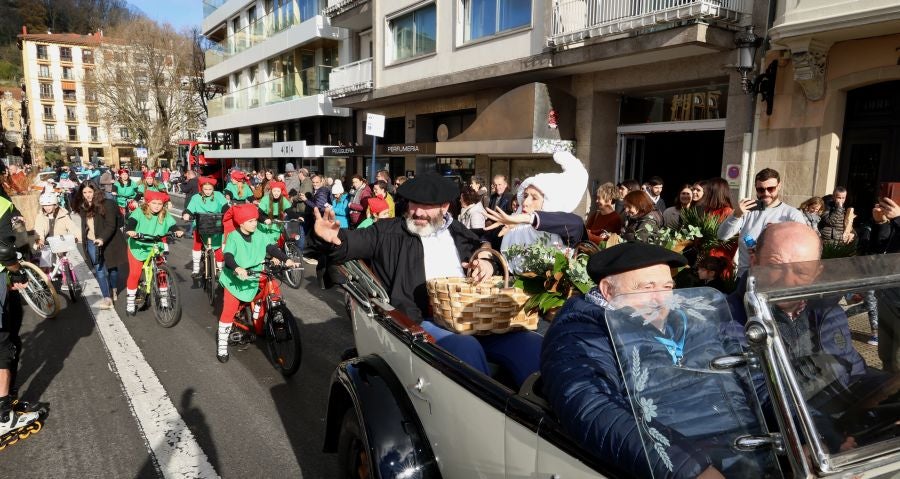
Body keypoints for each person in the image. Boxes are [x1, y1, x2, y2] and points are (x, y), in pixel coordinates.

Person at [541, 242, 767, 478]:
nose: (661, 299)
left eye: (668, 286)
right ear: (608, 291)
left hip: (744, 449)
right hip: (682, 462)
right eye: (647, 287)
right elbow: (590, 404)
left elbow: (750, 372)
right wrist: (689, 468)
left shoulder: (690, 318)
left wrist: (799, 429)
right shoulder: (581, 333)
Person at [313, 172, 542, 386]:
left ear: (444, 207)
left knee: (531, 344)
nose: (418, 212)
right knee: (465, 348)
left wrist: (485, 260)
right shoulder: (387, 231)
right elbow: (351, 244)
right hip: (419, 320)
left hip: (474, 316)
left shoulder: (457, 230)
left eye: (427, 206)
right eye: (414, 204)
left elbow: (482, 245)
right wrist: (332, 237)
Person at [216, 204, 295, 362]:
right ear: (242, 222)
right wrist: (237, 268)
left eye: (255, 220)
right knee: (229, 311)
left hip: (255, 273)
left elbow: (271, 248)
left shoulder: (259, 234)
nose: (255, 223)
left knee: (271, 285)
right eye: (251, 221)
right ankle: (222, 346)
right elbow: (229, 256)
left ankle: (273, 314)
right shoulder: (233, 236)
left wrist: (286, 259)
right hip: (235, 278)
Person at [0, 189, 45, 442]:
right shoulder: (2, 203)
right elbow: (6, 250)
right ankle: (4, 416)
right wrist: (17, 272)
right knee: (5, 345)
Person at [485, 151, 588, 258]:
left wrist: (529, 218)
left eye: (534, 198)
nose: (525, 202)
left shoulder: (564, 227)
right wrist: (486, 248)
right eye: (525, 196)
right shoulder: (515, 227)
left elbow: (576, 224)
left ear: (549, 203)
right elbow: (488, 238)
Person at [717, 168, 804, 276]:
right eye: (760, 190)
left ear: (779, 186)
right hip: (745, 277)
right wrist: (736, 215)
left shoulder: (791, 214)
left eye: (771, 189)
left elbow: (802, 247)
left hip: (774, 278)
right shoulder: (747, 210)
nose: (766, 193)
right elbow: (722, 236)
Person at [123, 190, 183, 315]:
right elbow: (131, 224)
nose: (156, 206)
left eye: (160, 204)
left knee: (161, 272)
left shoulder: (164, 214)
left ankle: (164, 299)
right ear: (148, 203)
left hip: (155, 245)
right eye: (154, 203)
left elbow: (172, 225)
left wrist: (177, 230)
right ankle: (130, 303)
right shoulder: (139, 212)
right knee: (135, 273)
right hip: (138, 246)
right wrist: (130, 231)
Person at [72, 181, 127, 309]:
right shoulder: (83, 206)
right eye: (84, 192)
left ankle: (113, 288)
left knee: (113, 268)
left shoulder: (108, 204)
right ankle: (107, 298)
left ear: (95, 191)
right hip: (92, 241)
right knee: (99, 269)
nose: (87, 195)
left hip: (109, 241)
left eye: (90, 192)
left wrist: (102, 238)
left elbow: (111, 225)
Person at [872, 197, 900, 371]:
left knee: (898, 361)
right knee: (885, 356)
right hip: (888, 296)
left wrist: (898, 218)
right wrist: (881, 223)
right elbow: (881, 248)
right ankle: (889, 396)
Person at [182, 176, 228, 279]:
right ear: (202, 188)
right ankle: (196, 269)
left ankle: (221, 270)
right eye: (205, 189)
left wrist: (227, 214)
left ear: (213, 189)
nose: (208, 191)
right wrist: (186, 214)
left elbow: (226, 207)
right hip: (200, 223)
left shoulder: (219, 195)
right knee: (197, 244)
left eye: (210, 189)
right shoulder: (196, 197)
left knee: (218, 247)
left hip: (216, 223)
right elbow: (189, 209)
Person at [33, 192, 78, 271]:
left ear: (55, 204)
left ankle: (66, 275)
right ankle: (45, 279)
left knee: (63, 261)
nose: (47, 207)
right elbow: (39, 228)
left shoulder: (63, 215)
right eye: (44, 205)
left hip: (60, 242)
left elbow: (73, 227)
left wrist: (77, 236)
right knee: (46, 263)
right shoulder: (40, 216)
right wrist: (40, 239)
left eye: (49, 205)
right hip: (46, 243)